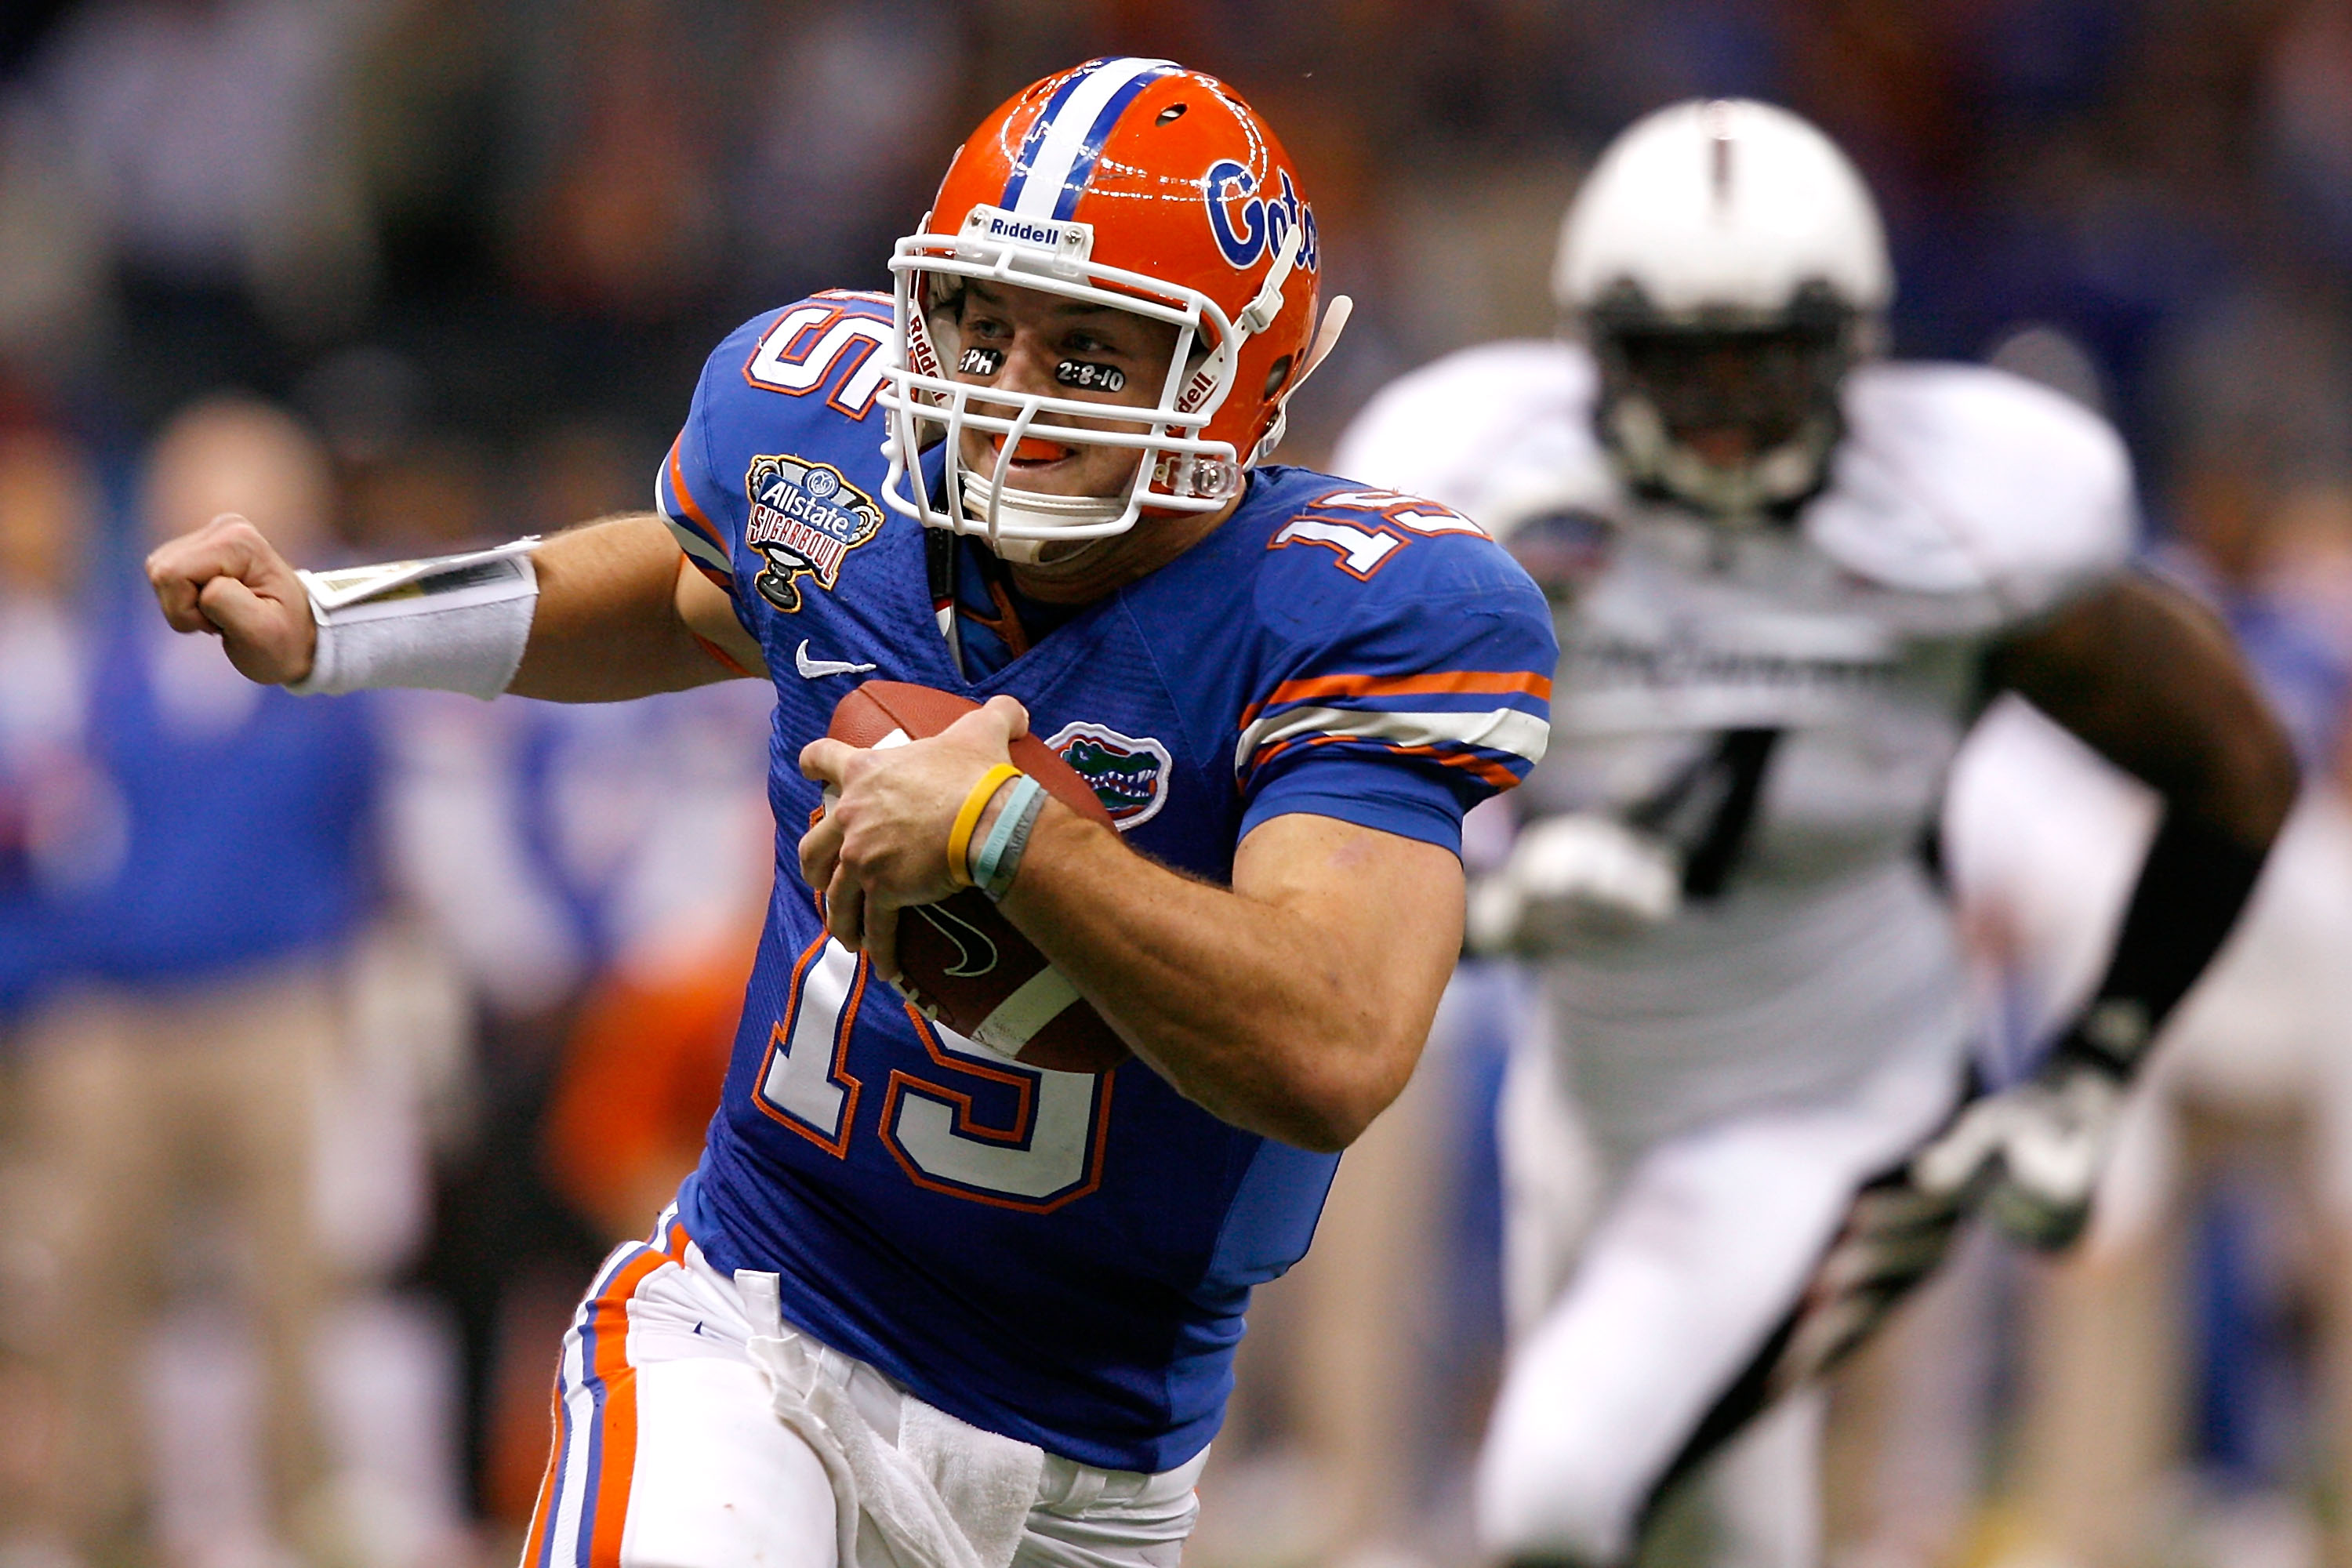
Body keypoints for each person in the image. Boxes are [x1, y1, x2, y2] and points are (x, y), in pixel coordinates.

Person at [145, 56, 1556, 1568]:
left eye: (1091, 355)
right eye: (982, 325)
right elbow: (692, 592)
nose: (1007, 395)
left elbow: (1334, 1045)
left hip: (1090, 1471)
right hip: (758, 1328)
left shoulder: (1340, 609)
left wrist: (1008, 834)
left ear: (1242, 381)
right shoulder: (831, 444)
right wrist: (344, 621)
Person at [1330, 98, 2297, 1568]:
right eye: (1681, 360)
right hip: (1587, 1096)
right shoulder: (1490, 486)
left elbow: (2233, 764)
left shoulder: (1957, 521)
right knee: (1711, 1535)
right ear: (1594, 351)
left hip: (1840, 1104)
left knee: (1552, 1493)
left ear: (1851, 351)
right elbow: (1327, 787)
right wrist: (1499, 898)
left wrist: (2096, 1065)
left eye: (1764, 361)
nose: (1721, 408)